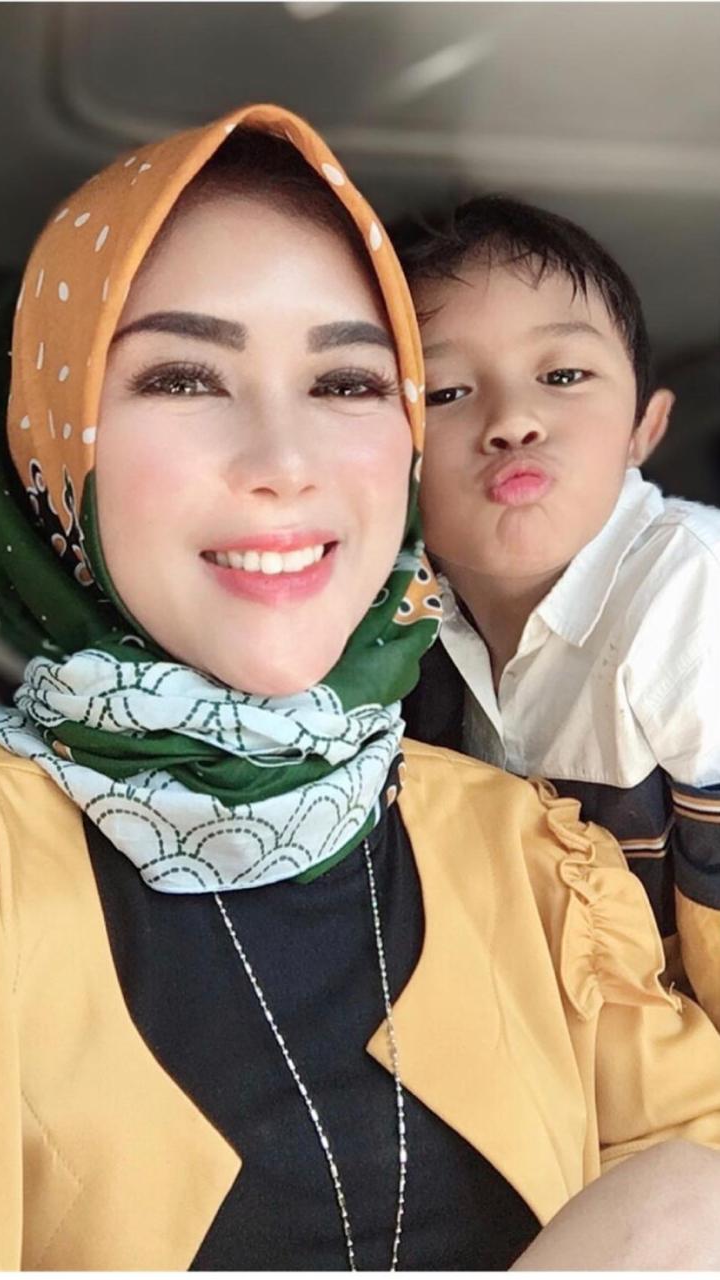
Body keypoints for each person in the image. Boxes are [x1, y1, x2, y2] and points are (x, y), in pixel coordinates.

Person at [0, 106, 720, 1272]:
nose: (285, 460)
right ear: (52, 443)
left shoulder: (534, 856)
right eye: (183, 376)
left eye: (349, 382)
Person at [399, 195, 720, 1027]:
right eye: (445, 391)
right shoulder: (390, 623)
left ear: (643, 428)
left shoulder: (691, 591)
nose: (511, 421)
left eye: (563, 377)